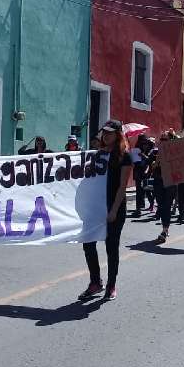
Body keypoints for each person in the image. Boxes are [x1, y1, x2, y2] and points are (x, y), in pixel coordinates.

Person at [78, 120, 132, 301]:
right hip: (95, 208)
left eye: (109, 133)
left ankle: (111, 285)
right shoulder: (96, 155)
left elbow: (122, 187)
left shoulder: (125, 156)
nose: (105, 135)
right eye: (104, 133)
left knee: (111, 247)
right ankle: (95, 282)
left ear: (117, 134)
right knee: (88, 243)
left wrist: (114, 211)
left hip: (114, 207)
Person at [151, 131, 176, 244]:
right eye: (161, 139)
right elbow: (154, 167)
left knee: (166, 206)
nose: (162, 141)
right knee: (161, 205)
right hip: (158, 181)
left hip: (170, 183)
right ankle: (165, 227)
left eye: (165, 139)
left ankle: (164, 231)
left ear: (171, 140)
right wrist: (156, 162)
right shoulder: (157, 152)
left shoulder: (176, 153)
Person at [130, 135, 149, 217]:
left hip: (145, 170)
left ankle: (142, 205)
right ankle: (138, 208)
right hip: (138, 170)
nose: (144, 144)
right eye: (143, 141)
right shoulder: (137, 149)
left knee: (144, 188)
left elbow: (150, 159)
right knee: (139, 189)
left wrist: (143, 155)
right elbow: (133, 160)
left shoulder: (148, 148)